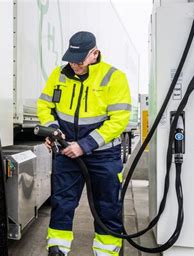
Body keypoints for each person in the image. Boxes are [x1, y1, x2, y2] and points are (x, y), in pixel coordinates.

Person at [37, 31, 131, 256]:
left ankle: (106, 251)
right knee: (62, 202)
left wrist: (85, 145)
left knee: (106, 206)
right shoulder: (58, 75)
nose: (75, 65)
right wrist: (52, 131)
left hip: (103, 155)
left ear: (94, 53)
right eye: (71, 59)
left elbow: (118, 120)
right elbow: (44, 105)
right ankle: (57, 248)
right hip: (67, 151)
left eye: (80, 61)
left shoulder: (114, 77)